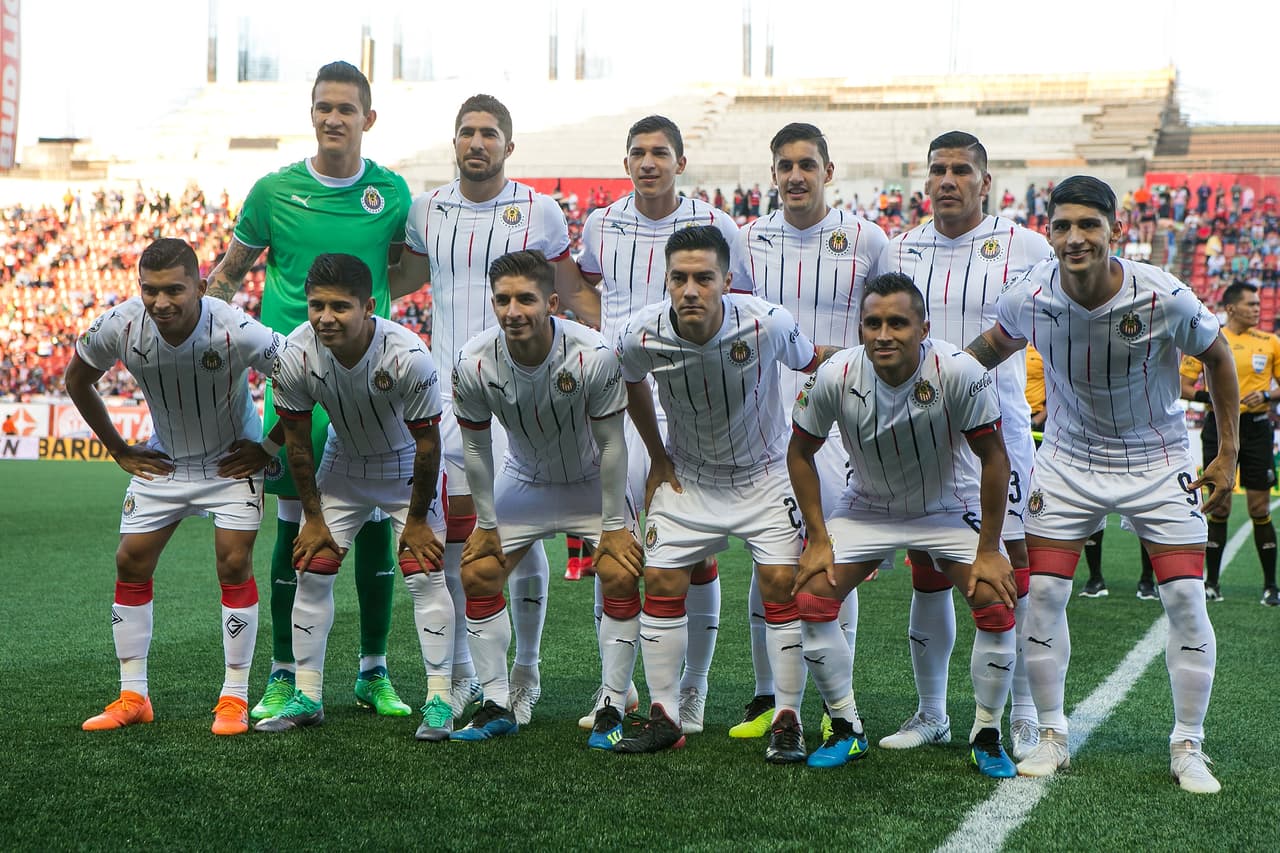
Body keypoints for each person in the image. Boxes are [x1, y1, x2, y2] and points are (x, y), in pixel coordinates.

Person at [968, 175, 1238, 793]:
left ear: (1116, 230)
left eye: (1089, 225)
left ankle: (1188, 743)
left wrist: (1225, 455)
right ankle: (1052, 733)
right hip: (1067, 461)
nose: (1075, 237)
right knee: (1045, 599)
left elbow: (1218, 356)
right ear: (1048, 232)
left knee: (1185, 602)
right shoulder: (1029, 294)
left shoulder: (1162, 295)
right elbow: (983, 353)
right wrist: (925, 382)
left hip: (1158, 459)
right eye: (1062, 226)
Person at [206, 60, 415, 721]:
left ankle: (373, 672)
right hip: (293, 379)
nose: (333, 118)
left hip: (369, 384)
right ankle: (282, 672)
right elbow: (228, 274)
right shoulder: (273, 192)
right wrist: (207, 347)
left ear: (368, 119)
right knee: (296, 519)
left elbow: (403, 273)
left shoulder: (393, 194)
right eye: (323, 106)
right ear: (312, 113)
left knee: (376, 517)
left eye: (346, 109)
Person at [390, 94, 600, 727]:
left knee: (521, 529)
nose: (475, 143)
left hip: (525, 396)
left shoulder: (539, 210)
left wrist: (615, 345)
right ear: (453, 142)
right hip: (453, 396)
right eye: (465, 133)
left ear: (510, 146)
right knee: (462, 540)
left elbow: (570, 295)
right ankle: (460, 678)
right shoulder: (426, 211)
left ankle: (525, 674)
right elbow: (397, 281)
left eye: (488, 134)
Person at [614, 225, 830, 762]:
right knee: (661, 577)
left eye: (704, 278)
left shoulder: (768, 322)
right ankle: (665, 714)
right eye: (680, 278)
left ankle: (787, 717)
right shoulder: (641, 332)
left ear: (726, 281)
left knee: (782, 583)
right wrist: (657, 455)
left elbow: (813, 362)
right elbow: (628, 380)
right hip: (687, 476)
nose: (691, 290)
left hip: (764, 474)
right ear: (666, 280)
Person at [789, 272, 1019, 775]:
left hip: (945, 507)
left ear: (924, 327)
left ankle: (987, 732)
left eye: (897, 322)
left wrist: (988, 548)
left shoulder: (959, 370)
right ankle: (847, 728)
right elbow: (800, 454)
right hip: (867, 507)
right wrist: (818, 539)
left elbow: (994, 459)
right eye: (872, 323)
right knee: (811, 594)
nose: (883, 334)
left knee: (993, 599)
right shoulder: (835, 374)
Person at [877, 131, 1051, 761]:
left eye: (961, 170)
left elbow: (1039, 327)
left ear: (986, 180)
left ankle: (1027, 715)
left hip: (997, 436)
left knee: (1011, 573)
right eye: (937, 170)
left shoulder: (1027, 247)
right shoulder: (899, 248)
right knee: (927, 576)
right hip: (918, 440)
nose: (947, 180)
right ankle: (931, 713)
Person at [67, 237, 283, 736]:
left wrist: (267, 447)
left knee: (232, 564)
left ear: (201, 287)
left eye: (174, 291)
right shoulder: (121, 324)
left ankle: (234, 698)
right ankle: (133, 695)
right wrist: (119, 449)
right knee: (130, 562)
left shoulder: (233, 327)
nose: (161, 302)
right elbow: (78, 379)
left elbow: (302, 376)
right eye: (150, 290)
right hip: (163, 461)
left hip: (231, 462)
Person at [576, 114, 741, 734]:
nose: (649, 162)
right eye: (638, 153)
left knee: (693, 555)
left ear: (681, 160)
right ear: (626, 163)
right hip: (619, 402)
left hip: (693, 406)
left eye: (660, 153)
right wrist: (612, 332)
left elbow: (735, 306)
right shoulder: (601, 224)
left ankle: (690, 692)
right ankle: (613, 690)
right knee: (614, 545)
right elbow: (585, 284)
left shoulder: (716, 225)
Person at [730, 122, 888, 740]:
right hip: (762, 425)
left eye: (807, 164)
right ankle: (768, 695)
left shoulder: (868, 240)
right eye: (785, 165)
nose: (796, 175)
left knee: (830, 560)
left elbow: (886, 325)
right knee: (767, 561)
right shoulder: (744, 241)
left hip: (842, 425)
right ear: (772, 174)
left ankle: (832, 703)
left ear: (829, 171)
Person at [254, 254, 453, 740]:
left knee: (424, 573)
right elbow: (298, 445)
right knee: (312, 567)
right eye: (316, 305)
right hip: (343, 464)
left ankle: (440, 700)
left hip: (406, 466)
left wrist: (420, 520)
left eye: (340, 307)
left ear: (368, 307)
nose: (325, 317)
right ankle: (308, 695)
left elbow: (429, 444)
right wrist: (314, 518)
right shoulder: (294, 355)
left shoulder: (408, 355)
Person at [450, 250, 643, 746]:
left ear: (553, 302)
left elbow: (611, 444)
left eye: (525, 299)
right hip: (525, 479)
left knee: (621, 571)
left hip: (589, 481)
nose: (513, 310)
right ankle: (496, 702)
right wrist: (487, 525)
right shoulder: (473, 360)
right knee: (478, 571)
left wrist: (613, 525)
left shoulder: (593, 353)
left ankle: (612, 703)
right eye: (502, 300)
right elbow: (475, 446)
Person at [1180, 281, 1280, 606]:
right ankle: (1211, 584)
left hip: (1257, 428)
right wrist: (1215, 396)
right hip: (1219, 426)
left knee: (1259, 508)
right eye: (1251, 304)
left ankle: (1270, 586)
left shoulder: (1271, 342)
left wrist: (1266, 394)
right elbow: (1182, 385)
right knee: (1219, 506)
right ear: (1232, 307)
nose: (1258, 308)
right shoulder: (1210, 338)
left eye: (1257, 303)